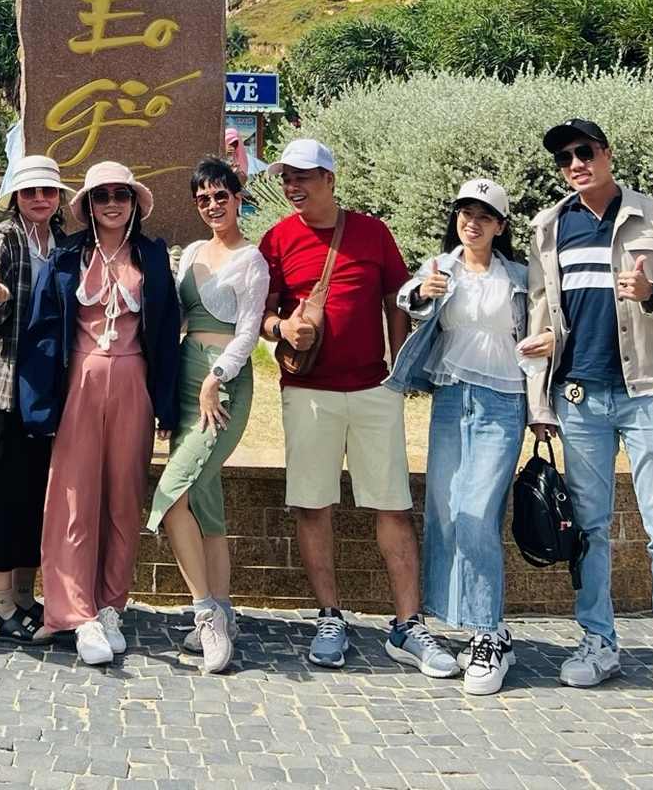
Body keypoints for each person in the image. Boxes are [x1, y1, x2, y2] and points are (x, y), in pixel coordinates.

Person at [527, 119, 653, 723]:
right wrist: (540, 397)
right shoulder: (549, 227)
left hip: (646, 392)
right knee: (589, 528)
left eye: (584, 152)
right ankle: (599, 641)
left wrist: (652, 294)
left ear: (606, 154)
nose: (575, 164)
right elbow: (544, 314)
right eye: (564, 158)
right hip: (579, 395)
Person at [258, 138, 457, 677]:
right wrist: (283, 328)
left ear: (329, 179)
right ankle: (329, 617)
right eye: (286, 178)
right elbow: (263, 313)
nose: (292, 186)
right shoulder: (277, 238)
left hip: (373, 389)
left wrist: (397, 369)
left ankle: (408, 625)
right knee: (311, 504)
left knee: (391, 504)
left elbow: (396, 298)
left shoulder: (372, 232)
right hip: (307, 392)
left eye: (302, 176)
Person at [386, 178, 548, 695]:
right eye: (465, 213)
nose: (472, 223)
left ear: (500, 226)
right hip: (452, 398)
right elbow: (407, 297)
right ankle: (474, 623)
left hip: (504, 401)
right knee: (447, 510)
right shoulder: (442, 267)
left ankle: (488, 633)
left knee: (478, 512)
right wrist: (422, 293)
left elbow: (547, 328)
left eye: (483, 215)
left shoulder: (519, 276)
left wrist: (542, 407)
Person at [19, 161, 181, 667]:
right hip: (81, 382)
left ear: (134, 203)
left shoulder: (152, 256)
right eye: (102, 195)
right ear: (88, 205)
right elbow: (43, 329)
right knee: (73, 497)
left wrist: (166, 402)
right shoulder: (68, 256)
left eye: (121, 195)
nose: (112, 203)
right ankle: (75, 612)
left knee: (123, 499)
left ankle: (111, 606)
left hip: (134, 382)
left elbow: (167, 331)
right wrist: (39, 403)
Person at [147, 157, 268, 674]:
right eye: (203, 199)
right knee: (205, 500)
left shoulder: (252, 260)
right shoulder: (193, 252)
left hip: (223, 384)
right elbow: (175, 316)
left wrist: (216, 377)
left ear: (238, 198)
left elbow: (248, 332)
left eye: (221, 196)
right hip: (185, 378)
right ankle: (223, 608)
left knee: (172, 494)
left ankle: (205, 615)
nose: (213, 205)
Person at [0, 154, 71, 645]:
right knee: (8, 492)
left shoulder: (62, 242)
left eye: (48, 191)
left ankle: (26, 597)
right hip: (11, 386)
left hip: (48, 386)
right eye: (30, 192)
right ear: (16, 197)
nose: (40, 199)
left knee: (36, 493)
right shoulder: (2, 240)